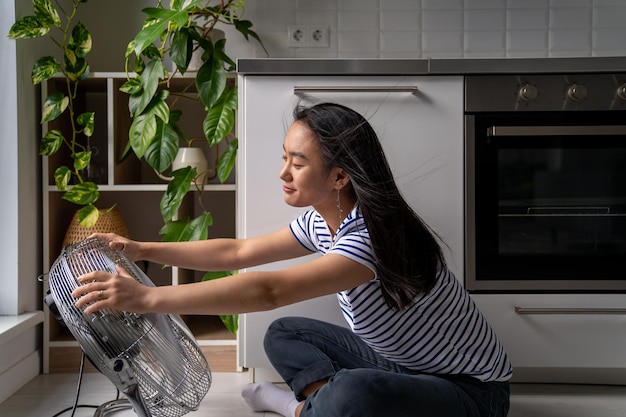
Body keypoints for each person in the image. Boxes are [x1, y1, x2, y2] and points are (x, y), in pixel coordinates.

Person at [73, 102, 512, 417]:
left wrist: (147, 299)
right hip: (401, 363)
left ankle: (298, 408)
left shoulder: (369, 239)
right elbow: (238, 251)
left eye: (297, 163)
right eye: (285, 157)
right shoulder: (324, 220)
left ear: (339, 176)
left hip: (473, 393)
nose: (283, 172)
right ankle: (323, 406)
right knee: (286, 334)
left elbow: (268, 290)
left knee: (354, 393)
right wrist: (144, 250)